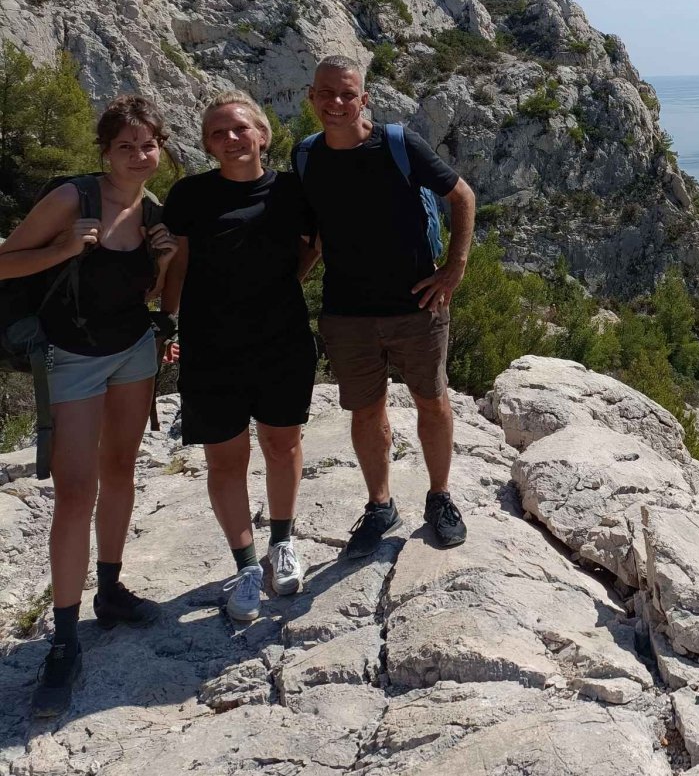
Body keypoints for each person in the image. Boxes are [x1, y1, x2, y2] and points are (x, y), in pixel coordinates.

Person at [0, 95, 178, 717]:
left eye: (149, 144)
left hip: (133, 351)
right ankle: (64, 635)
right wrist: (61, 249)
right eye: (126, 145)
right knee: (76, 491)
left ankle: (110, 589)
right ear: (105, 150)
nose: (139, 154)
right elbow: (3, 261)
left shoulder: (152, 211)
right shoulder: (72, 199)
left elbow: (147, 291)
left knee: (121, 470)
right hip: (73, 357)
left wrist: (162, 263)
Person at [298, 55, 475, 556]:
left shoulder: (399, 144)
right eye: (326, 93)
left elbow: (461, 194)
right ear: (311, 97)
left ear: (364, 99)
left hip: (417, 304)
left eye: (347, 94)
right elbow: (312, 237)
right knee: (364, 411)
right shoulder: (306, 156)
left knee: (432, 400)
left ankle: (439, 497)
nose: (336, 103)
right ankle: (380, 505)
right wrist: (288, 287)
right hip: (346, 311)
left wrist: (454, 267)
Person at [161, 91, 319, 623]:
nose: (230, 139)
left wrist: (284, 285)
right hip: (211, 346)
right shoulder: (189, 195)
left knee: (282, 442)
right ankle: (247, 565)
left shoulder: (292, 190)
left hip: (281, 340)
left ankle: (282, 544)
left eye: (239, 129)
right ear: (208, 143)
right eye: (218, 133)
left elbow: (311, 246)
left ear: (261, 134)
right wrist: (168, 322)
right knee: (225, 459)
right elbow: (177, 264)